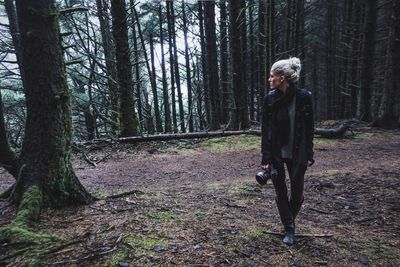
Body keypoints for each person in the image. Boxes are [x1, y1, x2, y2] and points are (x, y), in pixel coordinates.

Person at [261, 57, 314, 246]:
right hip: (276, 152)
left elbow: (309, 129)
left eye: (272, 76)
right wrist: (265, 157)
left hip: (298, 152)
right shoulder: (270, 99)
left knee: (297, 193)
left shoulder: (304, 97)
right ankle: (290, 229)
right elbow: (265, 130)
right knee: (280, 191)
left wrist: (309, 154)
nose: (269, 79)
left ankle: (288, 219)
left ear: (282, 78)